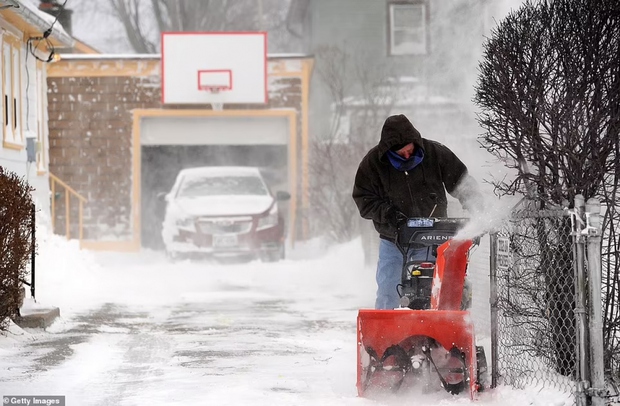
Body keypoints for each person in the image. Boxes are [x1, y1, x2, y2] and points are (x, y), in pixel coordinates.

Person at [352, 114, 483, 309]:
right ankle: (384, 334)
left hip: (432, 237)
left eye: (409, 151)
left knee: (431, 289)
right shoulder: (373, 164)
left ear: (416, 143)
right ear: (389, 151)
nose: (407, 156)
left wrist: (476, 206)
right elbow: (364, 199)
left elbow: (461, 182)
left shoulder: (435, 154)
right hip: (393, 238)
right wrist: (389, 214)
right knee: (389, 288)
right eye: (401, 154)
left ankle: (433, 333)